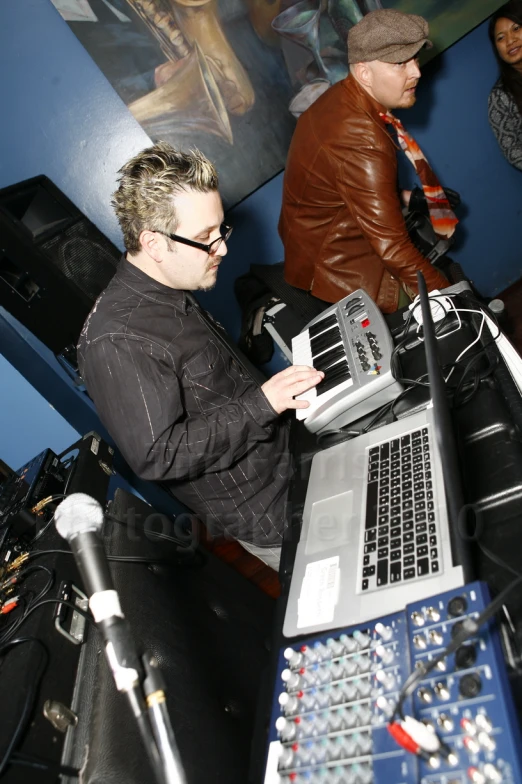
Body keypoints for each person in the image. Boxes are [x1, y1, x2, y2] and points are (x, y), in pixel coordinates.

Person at [77, 142, 323, 571]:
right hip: (269, 509)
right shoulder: (115, 339)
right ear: (153, 243)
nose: (221, 248)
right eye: (204, 238)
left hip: (292, 461)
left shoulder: (170, 283)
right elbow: (158, 455)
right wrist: (262, 404)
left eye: (220, 230)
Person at [279, 8, 456, 314]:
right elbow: (393, 248)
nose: (416, 72)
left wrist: (408, 198)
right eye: (401, 63)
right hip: (342, 267)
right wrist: (454, 301)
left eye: (414, 59)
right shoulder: (362, 137)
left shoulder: (341, 99)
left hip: (318, 246)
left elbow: (338, 189)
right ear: (364, 73)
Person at [488, 0, 522, 171]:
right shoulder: (500, 97)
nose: (510, 41)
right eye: (501, 38)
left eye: (516, 29)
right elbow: (512, 151)